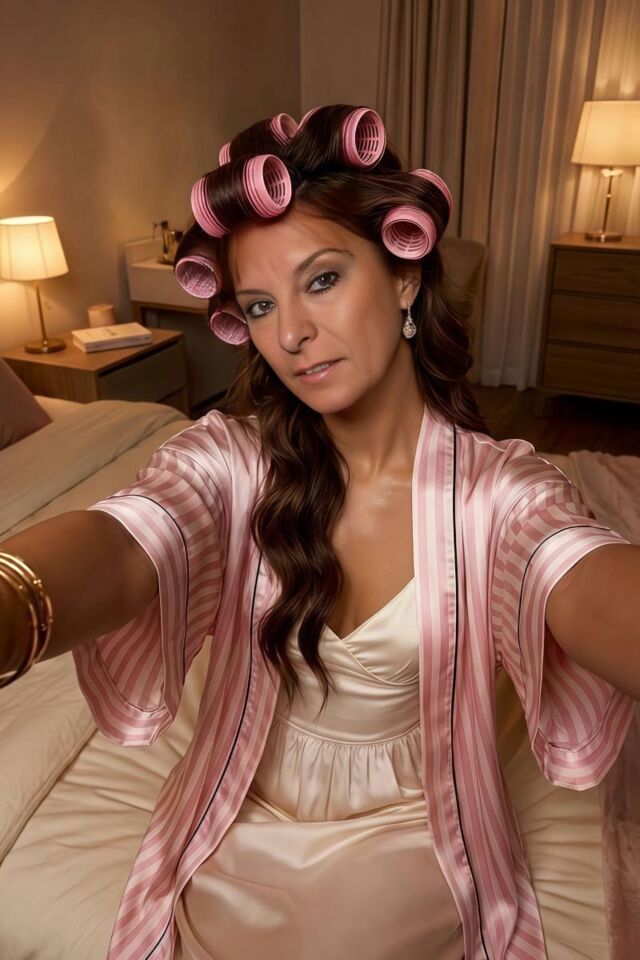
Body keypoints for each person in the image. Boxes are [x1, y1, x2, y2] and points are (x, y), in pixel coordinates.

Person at [0, 103, 638, 960]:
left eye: (324, 280)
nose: (292, 334)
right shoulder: (231, 463)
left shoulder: (498, 494)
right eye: (261, 304)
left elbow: (576, 568)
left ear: (405, 276)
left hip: (416, 833)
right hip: (234, 816)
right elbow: (126, 543)